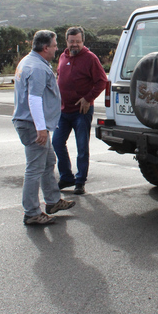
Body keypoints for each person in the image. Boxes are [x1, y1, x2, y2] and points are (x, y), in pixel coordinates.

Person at [13, 30, 75, 226]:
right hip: (33, 126)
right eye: (55, 45)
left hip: (33, 124)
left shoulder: (29, 61)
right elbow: (34, 98)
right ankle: (31, 212)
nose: (57, 48)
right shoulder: (37, 68)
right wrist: (41, 128)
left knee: (49, 161)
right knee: (35, 168)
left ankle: (53, 201)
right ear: (45, 47)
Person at [53, 26, 108, 194]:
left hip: (81, 112)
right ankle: (66, 177)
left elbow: (102, 81)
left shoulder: (90, 58)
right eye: (71, 42)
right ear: (67, 42)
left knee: (82, 147)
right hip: (63, 111)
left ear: (83, 41)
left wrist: (88, 98)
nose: (74, 45)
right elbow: (59, 76)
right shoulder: (63, 56)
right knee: (56, 142)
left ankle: (80, 181)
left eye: (77, 41)